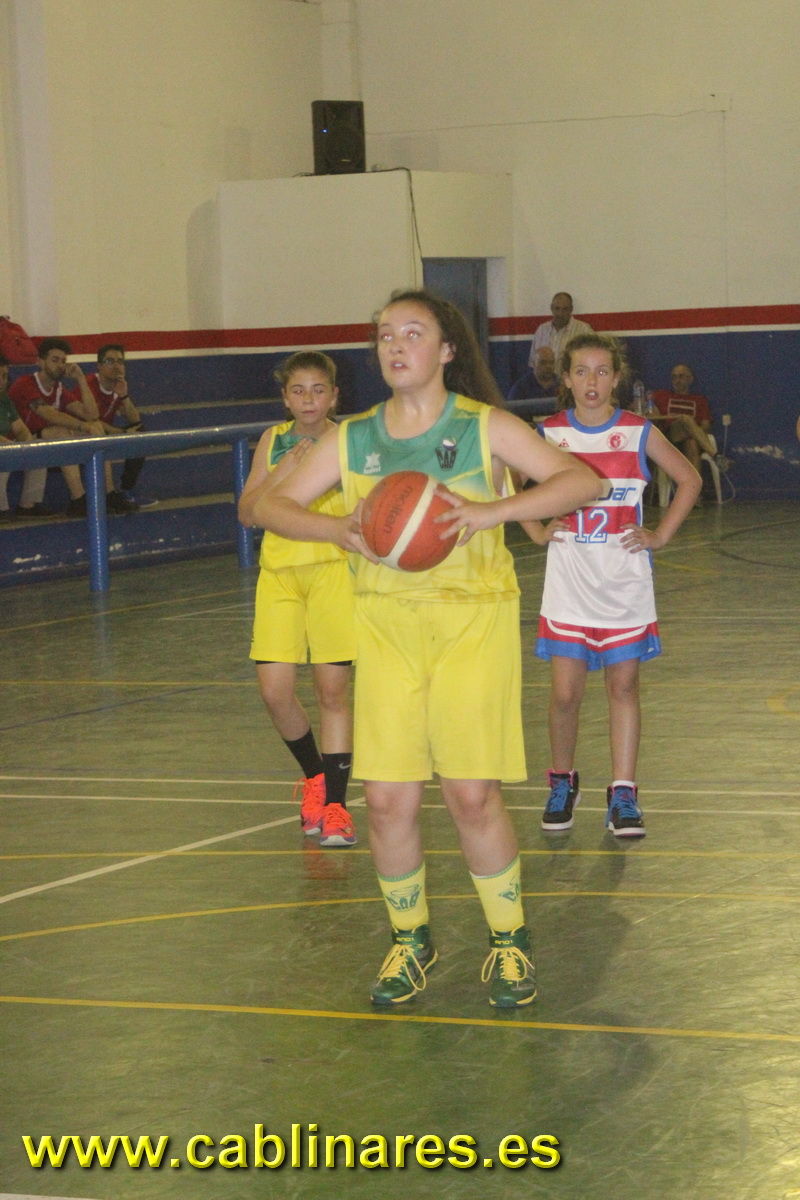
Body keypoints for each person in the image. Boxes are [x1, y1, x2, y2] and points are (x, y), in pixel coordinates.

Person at [242, 288, 600, 1009]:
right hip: (386, 624)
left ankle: (509, 940)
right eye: (384, 335)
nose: (395, 346)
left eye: (412, 333)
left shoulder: (483, 425)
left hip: (472, 622)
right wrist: (338, 530)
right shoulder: (352, 439)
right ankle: (411, 940)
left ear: (445, 350)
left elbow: (581, 480)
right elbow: (260, 506)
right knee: (386, 800)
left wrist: (493, 511)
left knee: (471, 794)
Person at [522, 334, 701, 839]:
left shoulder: (638, 432)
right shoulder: (549, 433)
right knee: (564, 695)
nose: (592, 381)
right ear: (566, 378)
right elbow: (502, 479)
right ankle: (562, 783)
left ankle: (623, 792)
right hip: (569, 584)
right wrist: (534, 529)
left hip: (623, 585)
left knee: (623, 688)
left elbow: (689, 479)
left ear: (617, 378)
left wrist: (660, 535)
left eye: (602, 372)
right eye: (581, 371)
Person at [238, 351, 357, 849]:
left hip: (332, 573)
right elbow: (247, 512)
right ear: (285, 398)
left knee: (332, 693)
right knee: (275, 692)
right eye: (298, 391)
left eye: (318, 390)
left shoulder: (349, 441)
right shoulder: (273, 440)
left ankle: (336, 807)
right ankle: (315, 777)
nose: (308, 399)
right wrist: (281, 472)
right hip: (280, 576)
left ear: (334, 396)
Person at [8, 337, 137, 517]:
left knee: (96, 428)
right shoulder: (25, 383)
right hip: (12, 443)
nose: (60, 365)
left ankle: (109, 493)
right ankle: (79, 499)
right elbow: (48, 413)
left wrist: (80, 379)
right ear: (40, 361)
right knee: (62, 432)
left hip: (41, 444)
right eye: (55, 360)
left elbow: (92, 415)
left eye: (63, 361)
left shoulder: (59, 389)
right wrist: (83, 426)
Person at [82, 344, 155, 507]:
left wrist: (124, 396)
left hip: (104, 434)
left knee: (140, 432)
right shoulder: (88, 384)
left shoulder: (117, 386)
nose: (116, 366)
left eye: (120, 361)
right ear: (99, 366)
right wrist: (120, 432)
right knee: (99, 431)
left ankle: (126, 490)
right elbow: (88, 420)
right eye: (110, 361)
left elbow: (135, 421)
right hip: (84, 434)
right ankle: (107, 496)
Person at [651, 363, 727, 475]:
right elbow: (636, 405)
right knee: (684, 419)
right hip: (670, 437)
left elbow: (706, 426)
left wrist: (690, 431)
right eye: (674, 377)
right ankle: (716, 456)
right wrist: (651, 408)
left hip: (690, 439)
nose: (677, 380)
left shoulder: (699, 400)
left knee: (692, 444)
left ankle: (694, 486)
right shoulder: (661, 395)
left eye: (681, 376)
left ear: (690, 379)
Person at [0, 353, 48, 520]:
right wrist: (12, 447)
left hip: (7, 446)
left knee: (39, 450)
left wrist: (27, 445)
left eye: (4, 376)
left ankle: (28, 506)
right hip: (4, 448)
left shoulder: (4, 400)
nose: (2, 381)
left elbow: (20, 429)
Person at [528, 292, 593, 369]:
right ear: (551, 308)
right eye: (557, 308)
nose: (560, 314)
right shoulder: (542, 330)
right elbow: (533, 363)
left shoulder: (584, 330)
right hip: (546, 377)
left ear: (571, 309)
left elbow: (591, 361)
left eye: (565, 309)